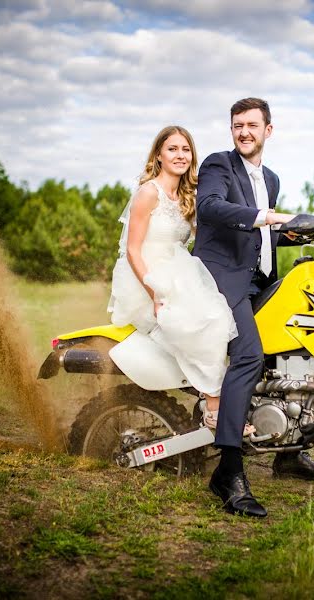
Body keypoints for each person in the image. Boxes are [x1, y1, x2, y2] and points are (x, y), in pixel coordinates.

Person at [194, 98, 314, 519]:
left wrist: (303, 233)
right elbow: (212, 209)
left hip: (259, 279)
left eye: (251, 125)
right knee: (249, 357)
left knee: (297, 346)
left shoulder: (270, 177)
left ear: (268, 131)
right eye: (237, 125)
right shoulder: (219, 166)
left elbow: (266, 238)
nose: (243, 132)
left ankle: (289, 454)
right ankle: (229, 471)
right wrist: (271, 217)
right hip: (224, 279)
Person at [108, 125, 238, 411]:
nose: (180, 155)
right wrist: (154, 292)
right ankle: (215, 410)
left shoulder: (188, 195)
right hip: (149, 275)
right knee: (193, 324)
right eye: (172, 149)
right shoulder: (148, 193)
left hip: (182, 272)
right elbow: (132, 249)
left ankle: (212, 400)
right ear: (158, 155)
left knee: (217, 318)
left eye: (186, 149)